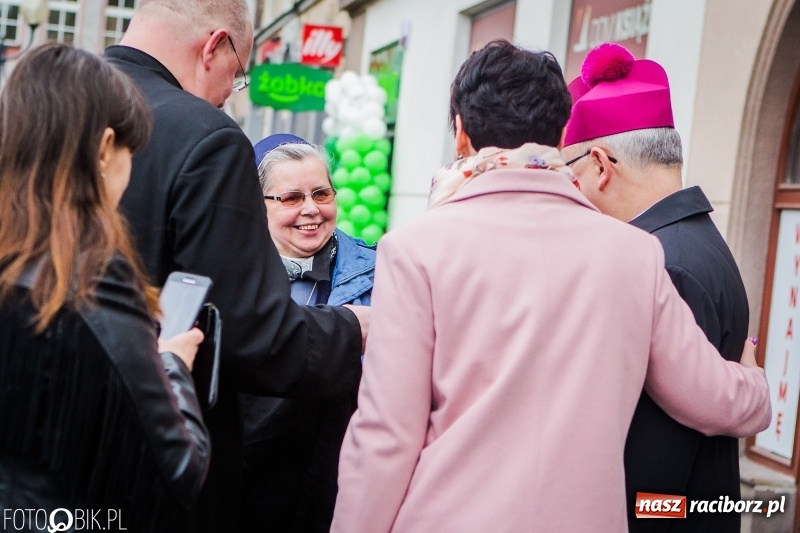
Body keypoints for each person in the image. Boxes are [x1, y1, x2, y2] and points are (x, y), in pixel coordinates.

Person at [330, 39, 770, 532]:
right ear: (560, 132)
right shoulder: (634, 252)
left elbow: (386, 436)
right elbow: (709, 397)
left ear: (460, 134)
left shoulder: (416, 249)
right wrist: (754, 382)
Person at [103, 1, 367, 530]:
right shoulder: (205, 136)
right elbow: (252, 334)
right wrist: (357, 328)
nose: (230, 93)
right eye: (239, 73)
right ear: (213, 46)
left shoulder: (43, 109)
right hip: (160, 463)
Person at [0, 43, 209, 530]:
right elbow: (179, 468)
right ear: (102, 149)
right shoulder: (92, 281)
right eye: (129, 153)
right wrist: (173, 366)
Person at [560, 42, 750, 533]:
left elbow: (652, 479)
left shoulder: (661, 263)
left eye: (569, 172)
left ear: (601, 165)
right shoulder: (694, 241)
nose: (567, 188)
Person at [239, 134, 376, 533]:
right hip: (251, 487)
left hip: (341, 481)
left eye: (321, 193)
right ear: (255, 203)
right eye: (292, 198)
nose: (312, 209)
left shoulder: (384, 272)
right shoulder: (232, 277)